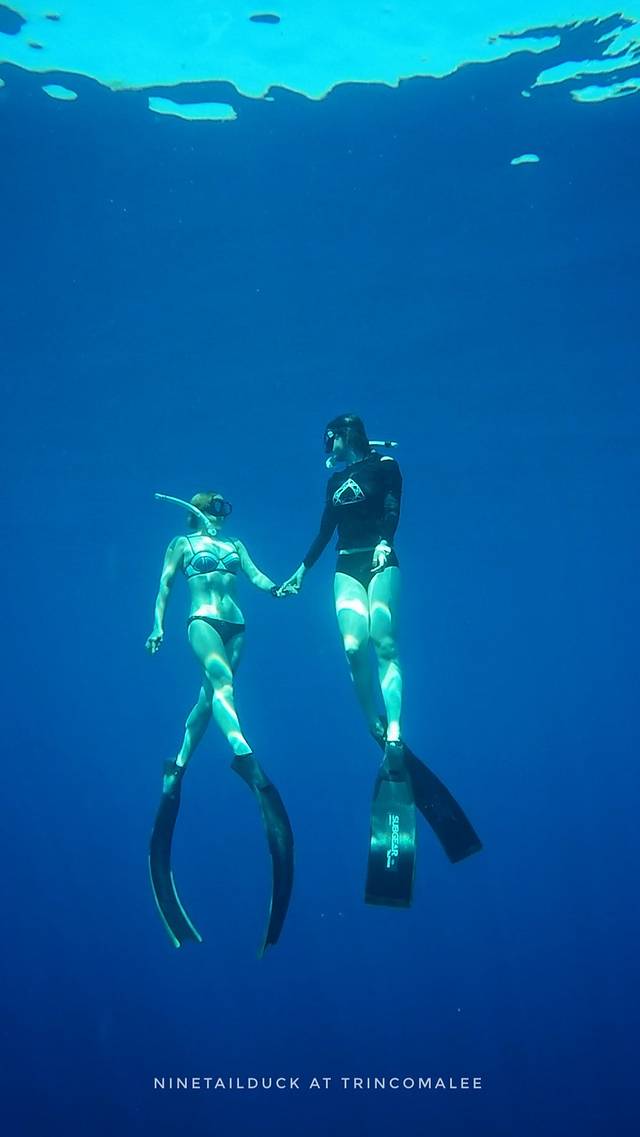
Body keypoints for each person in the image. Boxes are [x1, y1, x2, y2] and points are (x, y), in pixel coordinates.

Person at [280, 415, 481, 907]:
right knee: (353, 647)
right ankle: (373, 722)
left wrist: (387, 542)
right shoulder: (334, 481)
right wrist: (302, 571)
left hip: (380, 557)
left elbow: (393, 506)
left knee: (383, 642)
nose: (326, 446)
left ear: (345, 434)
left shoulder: (386, 464)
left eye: (328, 438)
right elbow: (325, 529)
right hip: (346, 565)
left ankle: (394, 729)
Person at [145, 491, 293, 955]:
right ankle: (243, 753)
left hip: (237, 626)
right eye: (213, 509)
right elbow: (165, 585)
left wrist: (277, 588)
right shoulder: (182, 544)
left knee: (209, 699)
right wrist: (157, 626)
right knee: (223, 686)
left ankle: (178, 765)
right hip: (202, 621)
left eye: (223, 511)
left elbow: (256, 575)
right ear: (198, 512)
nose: (219, 517)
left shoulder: (235, 546)